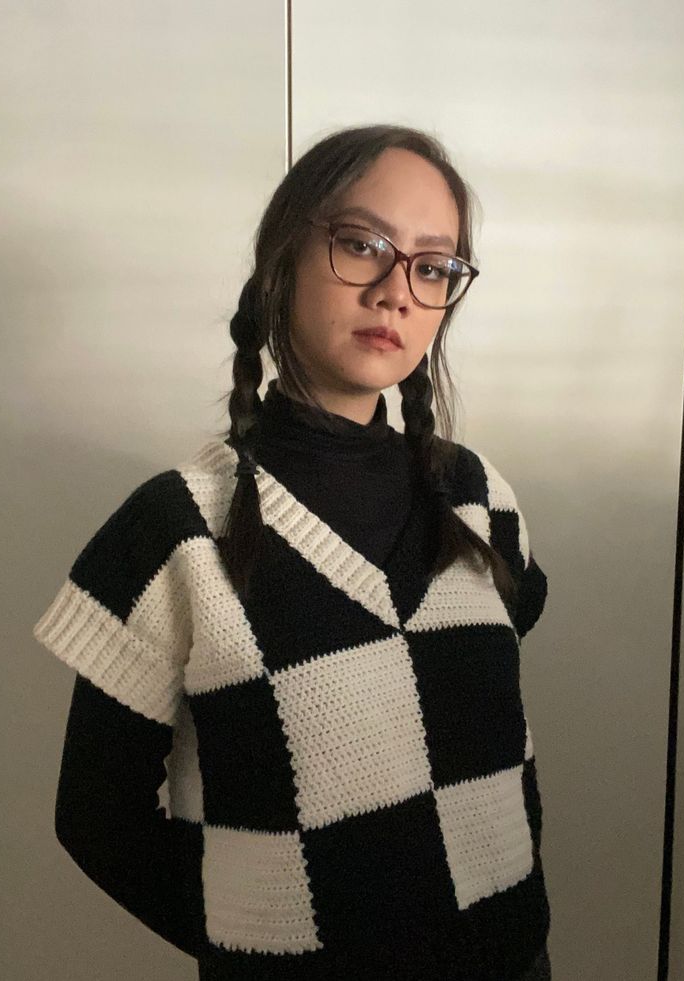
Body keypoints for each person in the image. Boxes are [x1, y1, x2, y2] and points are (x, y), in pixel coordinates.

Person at [33, 123, 552, 981]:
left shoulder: (479, 498)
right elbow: (96, 816)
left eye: (432, 266)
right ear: (285, 254)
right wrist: (269, 932)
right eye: (361, 244)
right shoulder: (178, 528)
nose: (396, 291)